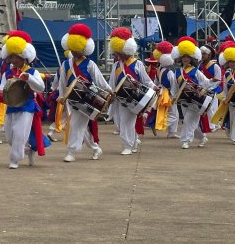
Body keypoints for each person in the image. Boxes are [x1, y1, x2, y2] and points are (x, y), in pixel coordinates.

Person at [58, 24, 109, 162]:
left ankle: (72, 152)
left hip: (87, 100)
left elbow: (100, 81)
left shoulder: (90, 64)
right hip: (71, 100)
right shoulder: (65, 64)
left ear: (84, 48)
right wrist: (61, 96)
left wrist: (109, 93)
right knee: (81, 127)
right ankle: (95, 148)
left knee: (75, 125)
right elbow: (63, 82)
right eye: (73, 49)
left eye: (77, 49)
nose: (75, 52)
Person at [0, 31, 47, 169]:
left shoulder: (32, 72)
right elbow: (2, 88)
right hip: (11, 106)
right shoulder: (7, 73)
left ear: (24, 57)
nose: (14, 60)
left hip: (27, 106)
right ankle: (28, 150)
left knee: (19, 134)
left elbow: (41, 88)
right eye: (12, 57)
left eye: (17, 57)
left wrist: (29, 79)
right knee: (10, 137)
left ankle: (15, 160)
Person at [108, 27, 158, 155]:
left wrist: (154, 87)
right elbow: (112, 83)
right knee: (123, 122)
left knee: (126, 122)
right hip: (120, 98)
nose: (117, 54)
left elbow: (146, 80)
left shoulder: (138, 64)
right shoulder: (116, 66)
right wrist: (110, 93)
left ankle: (127, 146)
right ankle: (133, 141)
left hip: (135, 98)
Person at [171, 37, 213, 149]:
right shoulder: (177, 72)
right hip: (183, 100)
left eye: (188, 57)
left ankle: (186, 141)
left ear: (191, 58)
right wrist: (174, 97)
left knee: (189, 120)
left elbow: (206, 83)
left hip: (196, 100)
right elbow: (175, 87)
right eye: (183, 57)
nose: (185, 59)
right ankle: (202, 137)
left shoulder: (196, 71)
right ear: (180, 58)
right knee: (189, 121)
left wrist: (203, 89)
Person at [153, 41, 180, 138]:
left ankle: (172, 132)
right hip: (167, 93)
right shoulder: (169, 72)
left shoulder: (159, 69)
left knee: (171, 112)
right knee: (173, 114)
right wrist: (174, 96)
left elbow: (155, 82)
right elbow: (174, 85)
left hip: (160, 92)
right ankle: (157, 125)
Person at [199, 44, 222, 132]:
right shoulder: (199, 65)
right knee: (205, 107)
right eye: (201, 53)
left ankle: (213, 125)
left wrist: (210, 88)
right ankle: (209, 124)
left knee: (212, 108)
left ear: (209, 55)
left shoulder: (215, 66)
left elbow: (218, 80)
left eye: (204, 53)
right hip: (202, 89)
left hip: (213, 89)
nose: (202, 55)